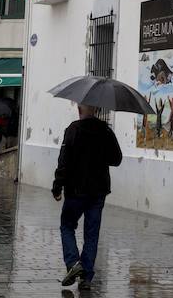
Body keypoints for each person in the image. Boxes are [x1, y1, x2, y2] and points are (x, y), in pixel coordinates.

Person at [52, 105, 122, 291]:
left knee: (67, 225)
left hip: (76, 190)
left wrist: (57, 186)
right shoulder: (106, 131)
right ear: (98, 109)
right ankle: (86, 278)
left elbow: (63, 161)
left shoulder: (73, 129)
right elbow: (117, 159)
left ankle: (74, 263)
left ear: (79, 108)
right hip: (98, 191)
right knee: (91, 234)